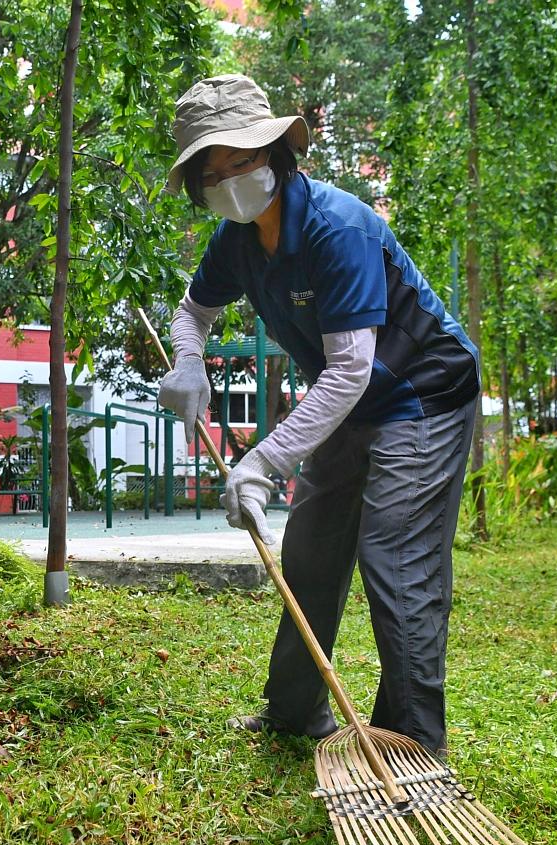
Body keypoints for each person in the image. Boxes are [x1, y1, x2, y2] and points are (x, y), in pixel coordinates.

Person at [156, 75, 479, 757]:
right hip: (349, 404)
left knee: (394, 556)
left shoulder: (338, 229)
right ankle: (295, 712)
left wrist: (265, 459)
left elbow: (353, 370)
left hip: (421, 394)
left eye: (240, 159)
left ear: (274, 154)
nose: (229, 179)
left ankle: (414, 744)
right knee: (310, 550)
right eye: (212, 171)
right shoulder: (237, 241)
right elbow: (193, 311)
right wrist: (187, 361)